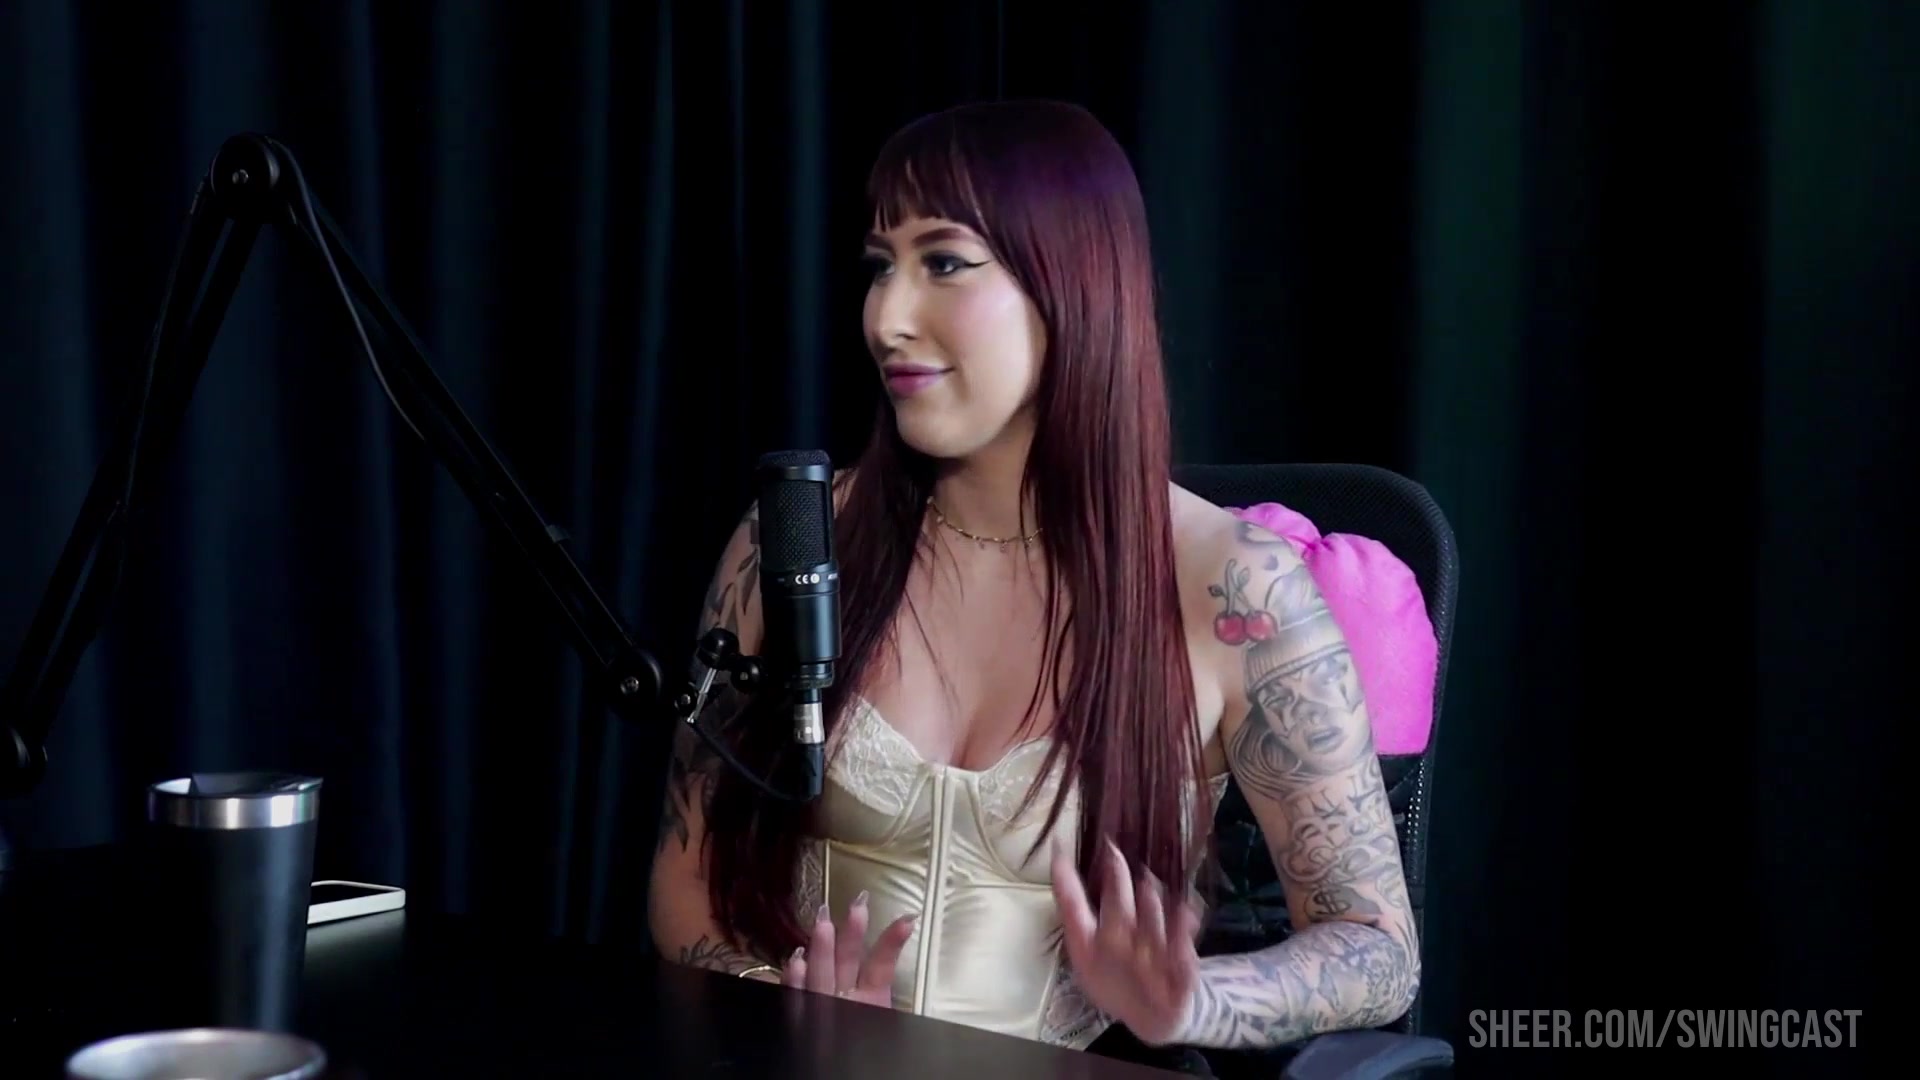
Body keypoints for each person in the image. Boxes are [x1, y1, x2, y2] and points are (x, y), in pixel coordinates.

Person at [647, 99, 1419, 1069]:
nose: (887, 317)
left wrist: (1199, 1001)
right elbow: (685, 872)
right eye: (881, 266)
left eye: (944, 263)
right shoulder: (799, 540)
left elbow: (1377, 947)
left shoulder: (1237, 588)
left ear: (1071, 285)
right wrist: (777, 1003)